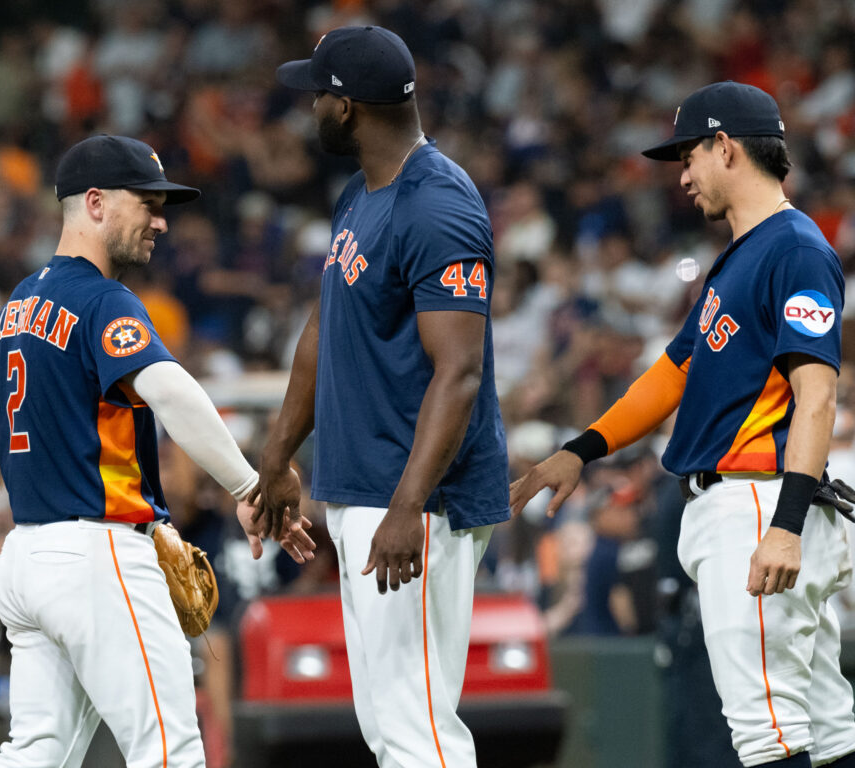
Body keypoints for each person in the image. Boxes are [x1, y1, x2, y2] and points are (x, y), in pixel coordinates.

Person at [510, 82, 855, 768]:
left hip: (760, 503)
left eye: (689, 156)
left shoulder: (794, 248)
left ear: (725, 147)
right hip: (749, 504)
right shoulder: (742, 256)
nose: (684, 175)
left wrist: (784, 526)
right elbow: (673, 373)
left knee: (768, 733)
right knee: (823, 726)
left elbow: (817, 398)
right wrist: (582, 448)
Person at [0, 134, 314, 768]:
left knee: (35, 752)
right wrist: (249, 486)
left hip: (28, 556)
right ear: (96, 202)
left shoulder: (18, 302)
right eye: (148, 203)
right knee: (170, 752)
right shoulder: (101, 298)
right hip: (94, 553)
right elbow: (172, 392)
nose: (162, 221)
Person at [254, 27, 510, 768]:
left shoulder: (437, 204)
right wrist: (275, 460)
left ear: (348, 106)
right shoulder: (361, 195)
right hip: (367, 490)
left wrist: (408, 507)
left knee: (416, 728)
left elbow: (459, 370)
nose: (309, 108)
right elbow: (321, 332)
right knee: (392, 726)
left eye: (317, 95)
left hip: (413, 496)